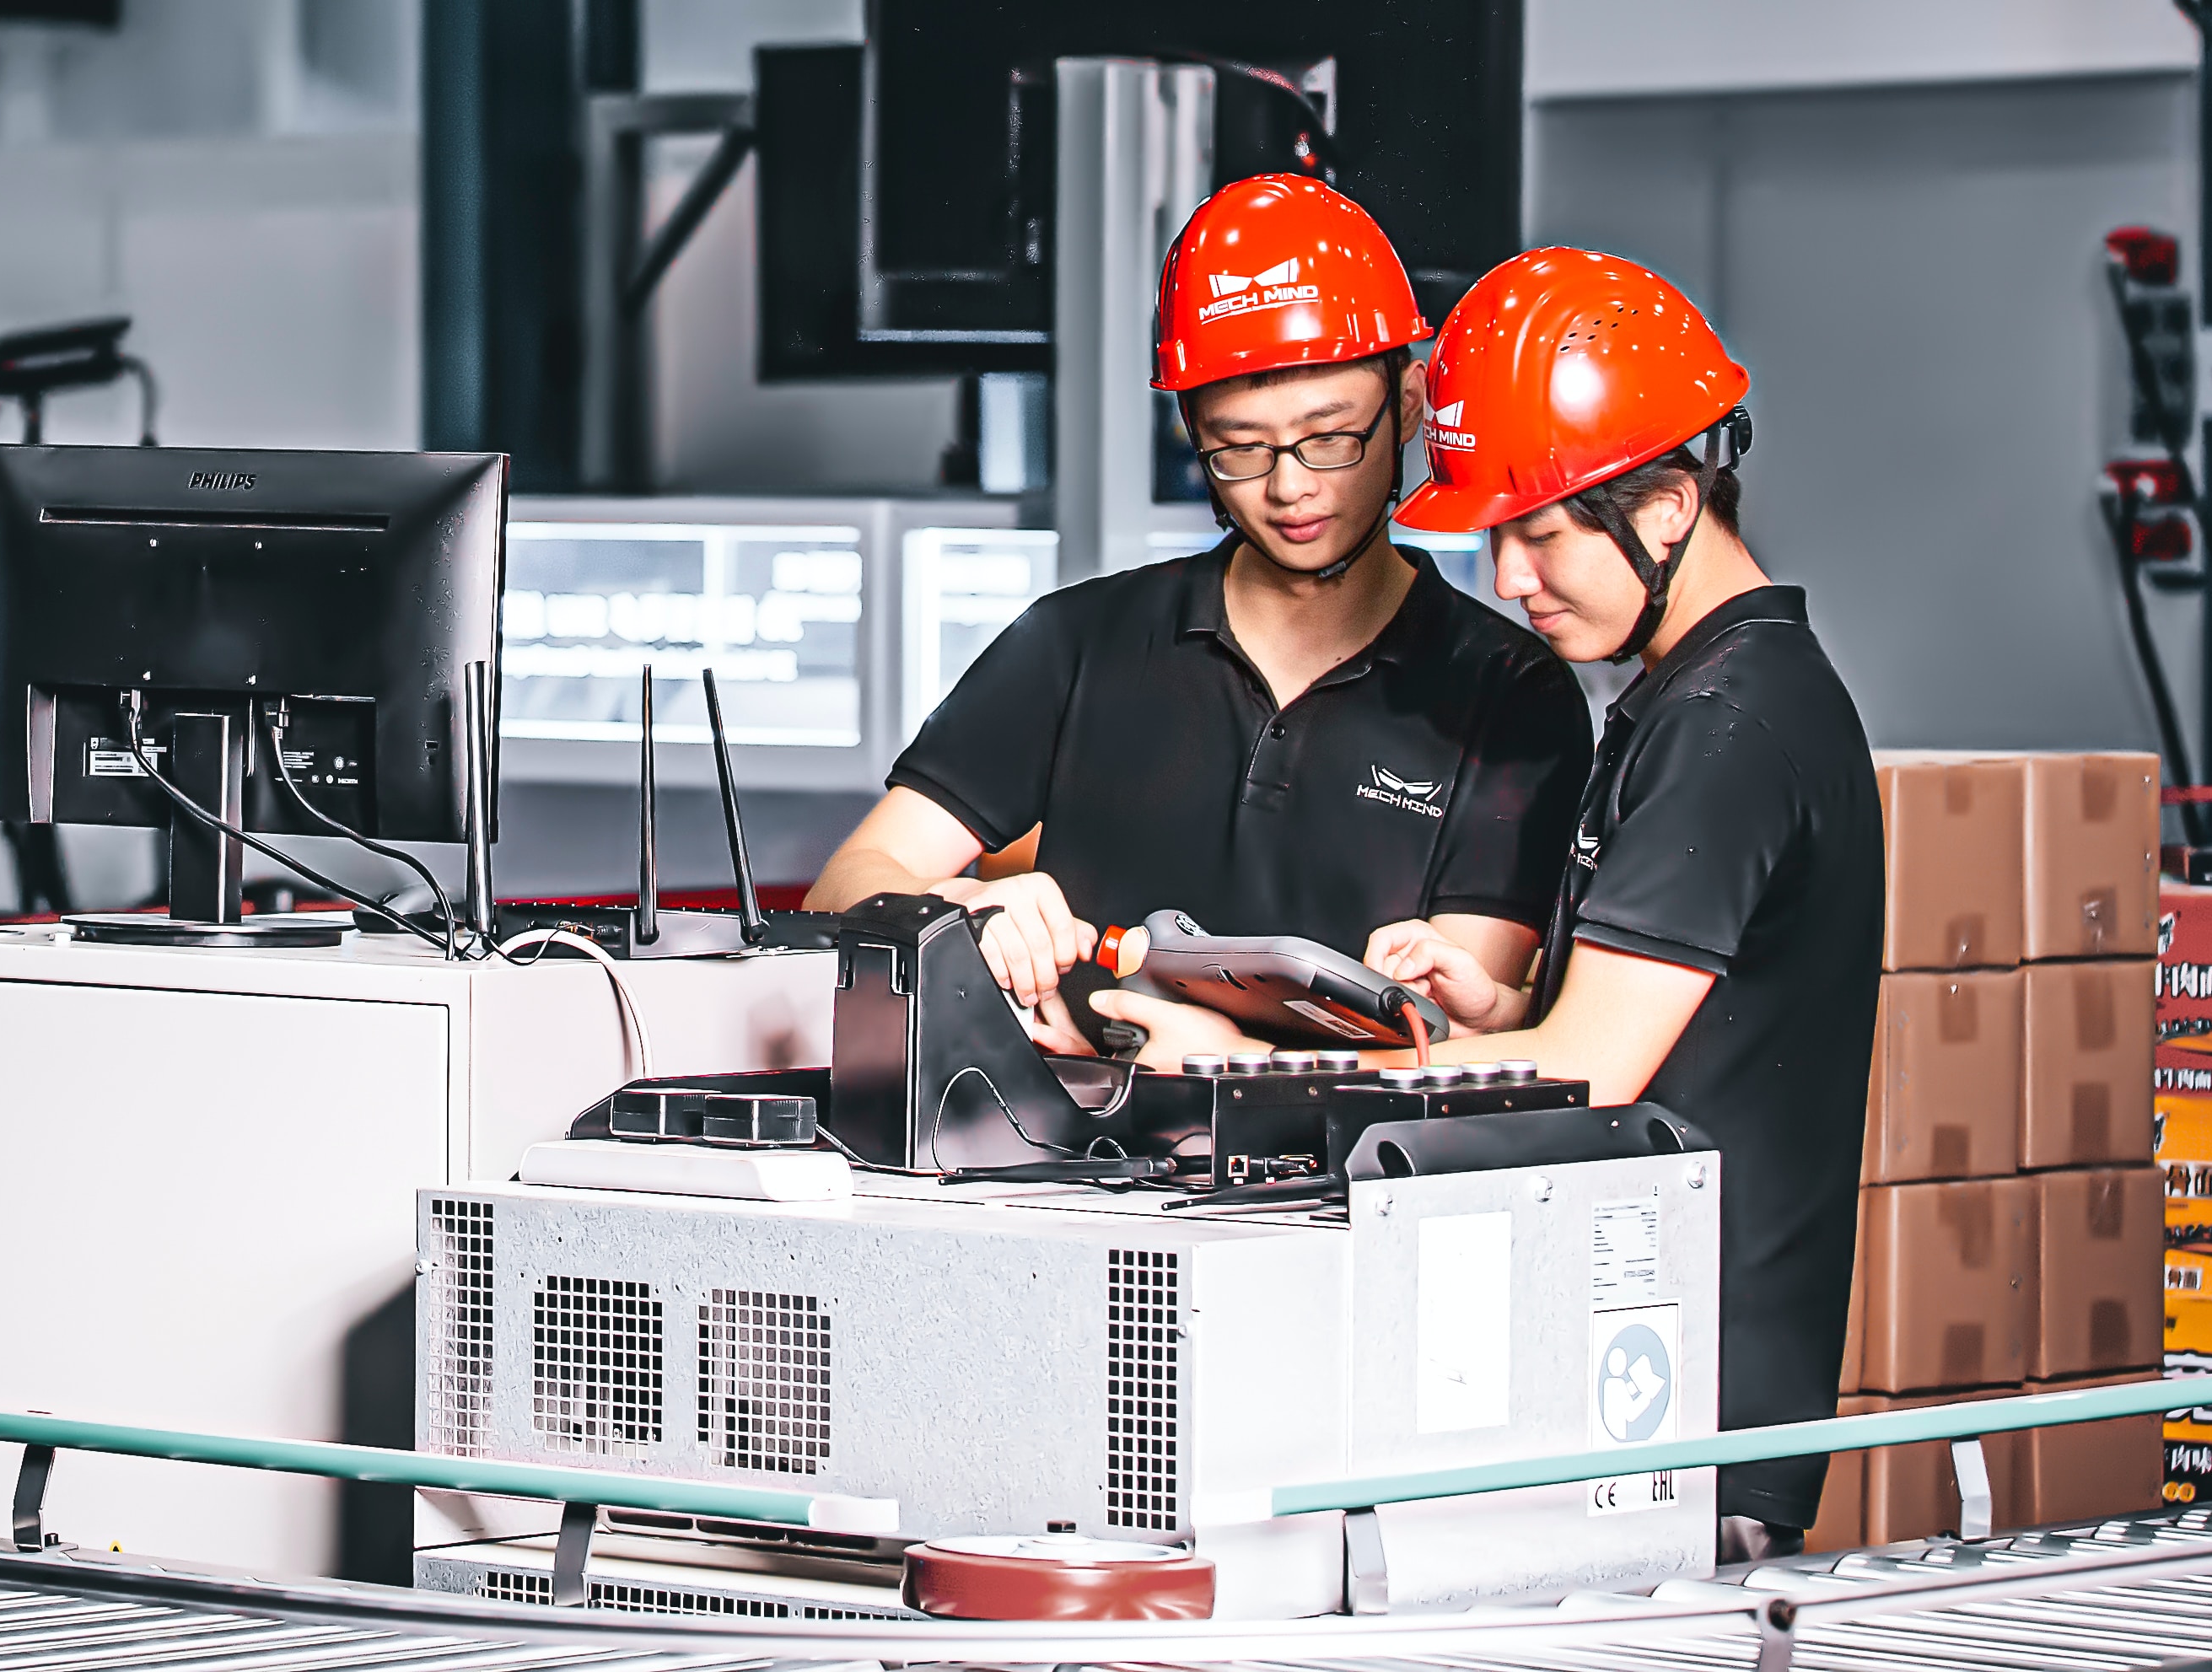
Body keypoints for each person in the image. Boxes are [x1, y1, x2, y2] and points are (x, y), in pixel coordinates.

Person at [1085, 245, 1882, 1566]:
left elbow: (1588, 1077)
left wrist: (1244, 1071)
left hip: (1678, 1420)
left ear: (1669, 504)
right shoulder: (1693, 702)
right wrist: (1487, 1004)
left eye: (1540, 531)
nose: (1510, 579)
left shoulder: (1733, 728)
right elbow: (1646, 1032)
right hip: (1644, 1387)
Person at [800, 172, 1590, 1042]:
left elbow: (1450, 1032)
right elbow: (844, 886)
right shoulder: (1078, 642)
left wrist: (1229, 1061)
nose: (1291, 489)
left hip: (1348, 1169)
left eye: (1330, 437)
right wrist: (953, 911)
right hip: (1051, 1159)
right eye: (1239, 450)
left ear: (1406, 404)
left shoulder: (1510, 698)